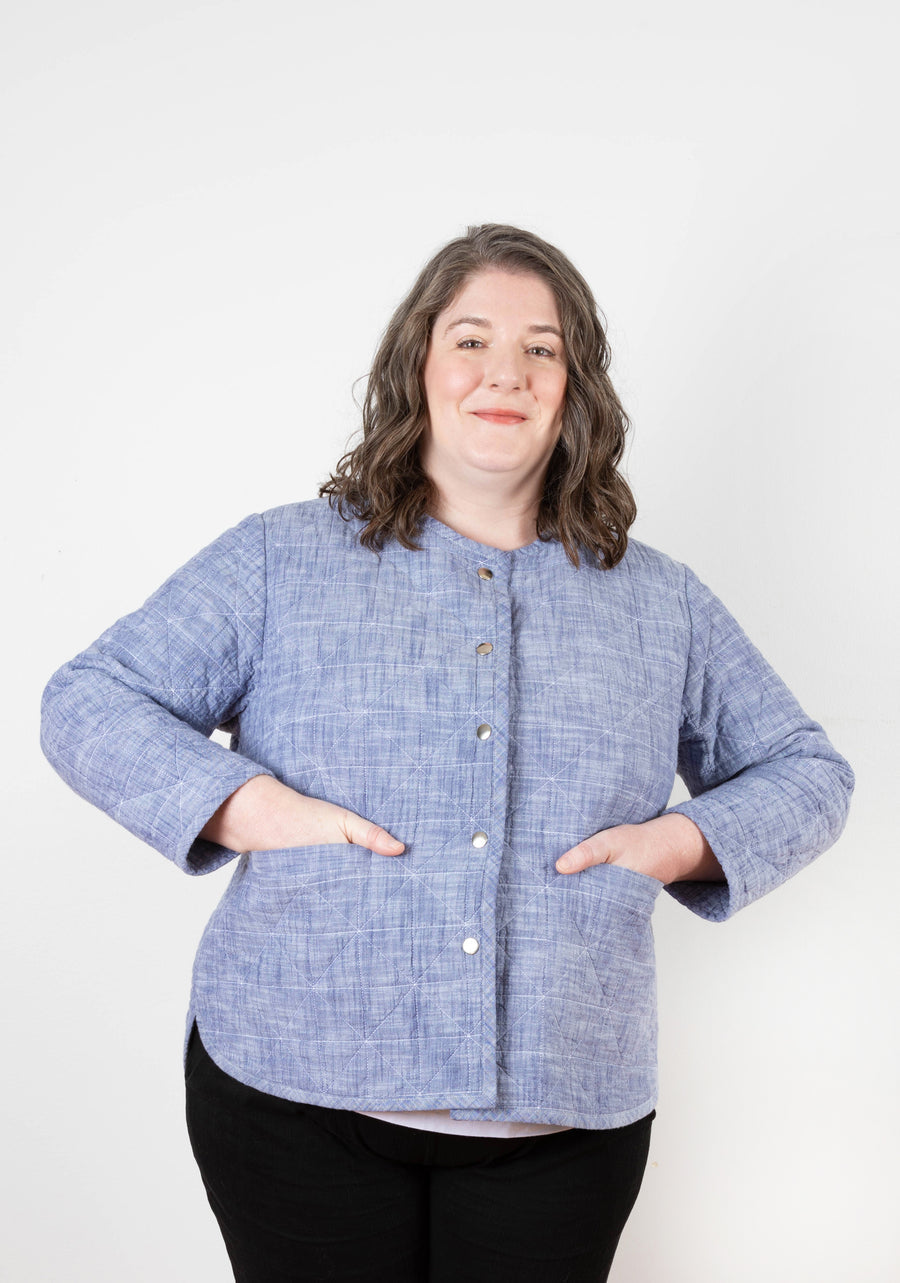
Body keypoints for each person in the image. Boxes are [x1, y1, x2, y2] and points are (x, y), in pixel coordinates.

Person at [40, 223, 854, 1283]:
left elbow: (809, 772)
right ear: (417, 364)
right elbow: (89, 700)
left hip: (564, 1121)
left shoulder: (663, 602)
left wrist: (674, 842)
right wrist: (250, 805)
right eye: (471, 340)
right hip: (291, 1094)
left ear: (575, 386)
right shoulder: (281, 558)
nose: (504, 373)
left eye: (541, 348)